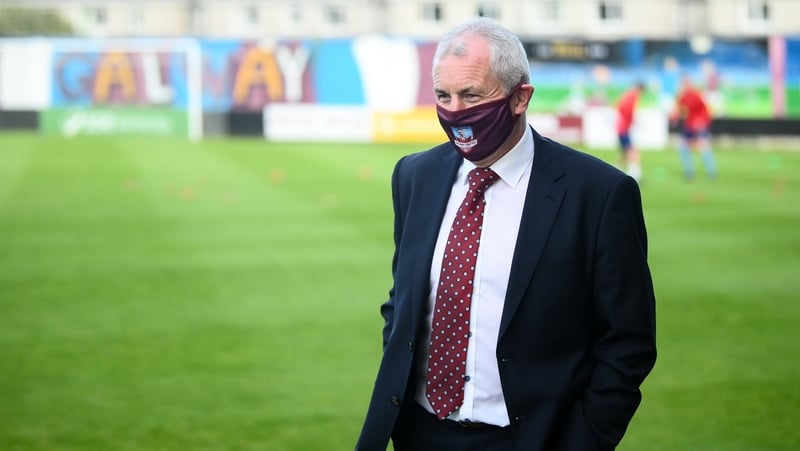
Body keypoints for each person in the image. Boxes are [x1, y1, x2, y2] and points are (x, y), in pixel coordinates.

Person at [356, 17, 656, 451]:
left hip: (530, 440)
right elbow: (402, 301)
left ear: (520, 97)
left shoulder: (600, 193)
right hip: (420, 433)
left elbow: (627, 342)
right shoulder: (414, 175)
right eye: (443, 95)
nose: (455, 111)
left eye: (472, 95)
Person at [671, 75, 718, 180]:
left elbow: (704, 109)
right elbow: (679, 108)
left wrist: (702, 122)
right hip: (690, 124)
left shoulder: (695, 94)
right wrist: (675, 117)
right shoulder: (683, 96)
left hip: (699, 124)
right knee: (684, 147)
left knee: (703, 146)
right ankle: (690, 172)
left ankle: (711, 172)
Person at [616, 81, 646, 182]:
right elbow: (627, 109)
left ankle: (616, 171)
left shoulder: (627, 94)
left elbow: (620, 107)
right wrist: (632, 120)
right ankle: (635, 174)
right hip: (624, 128)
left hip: (621, 127)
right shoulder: (633, 95)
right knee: (632, 150)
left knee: (624, 152)